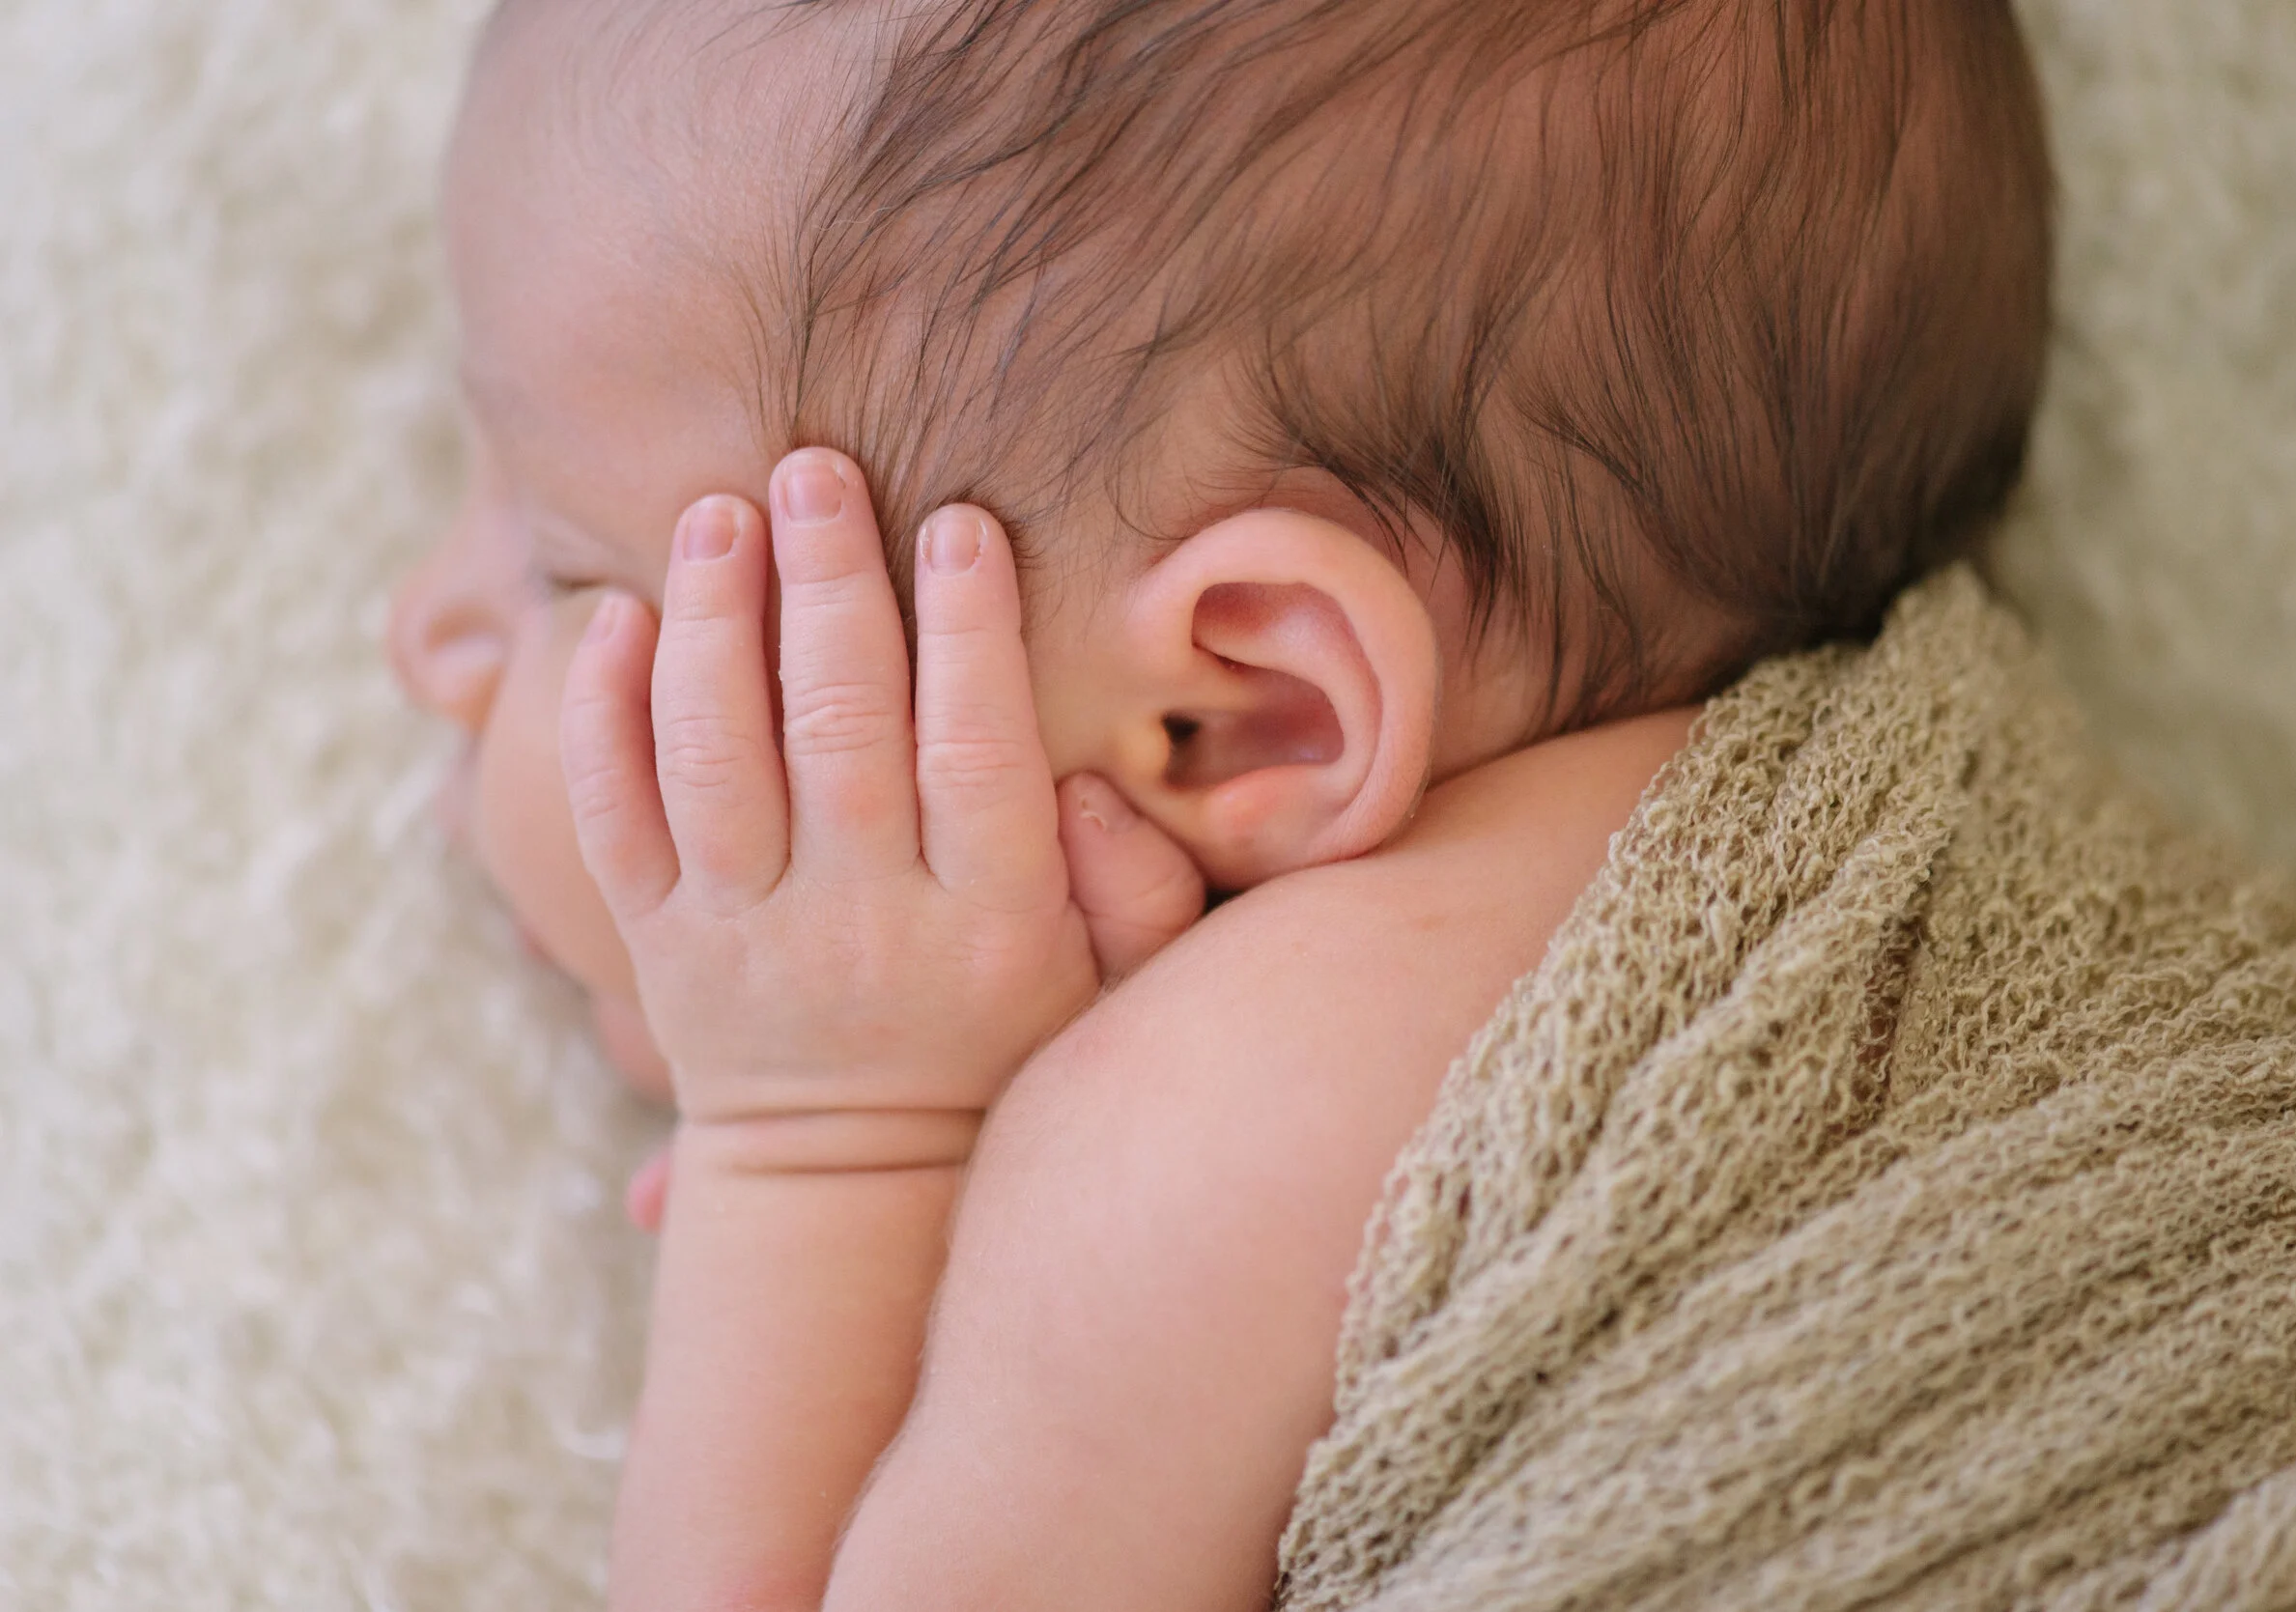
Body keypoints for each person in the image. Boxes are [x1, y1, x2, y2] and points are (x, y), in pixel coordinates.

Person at [385, 0, 2053, 1605]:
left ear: (1233, 723)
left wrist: (821, 1137)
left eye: (560, 561)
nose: (420, 636)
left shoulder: (1231, 1119)